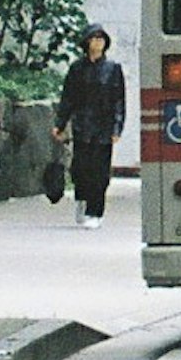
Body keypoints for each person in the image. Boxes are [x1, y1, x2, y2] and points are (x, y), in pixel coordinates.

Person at [54, 28, 128, 228]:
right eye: (94, 38)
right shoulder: (77, 69)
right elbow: (68, 99)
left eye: (101, 38)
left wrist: (117, 128)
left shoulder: (113, 69)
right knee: (81, 168)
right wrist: (60, 124)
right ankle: (81, 199)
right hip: (82, 124)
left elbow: (119, 101)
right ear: (86, 42)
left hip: (104, 127)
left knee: (100, 171)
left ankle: (96, 211)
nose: (97, 42)